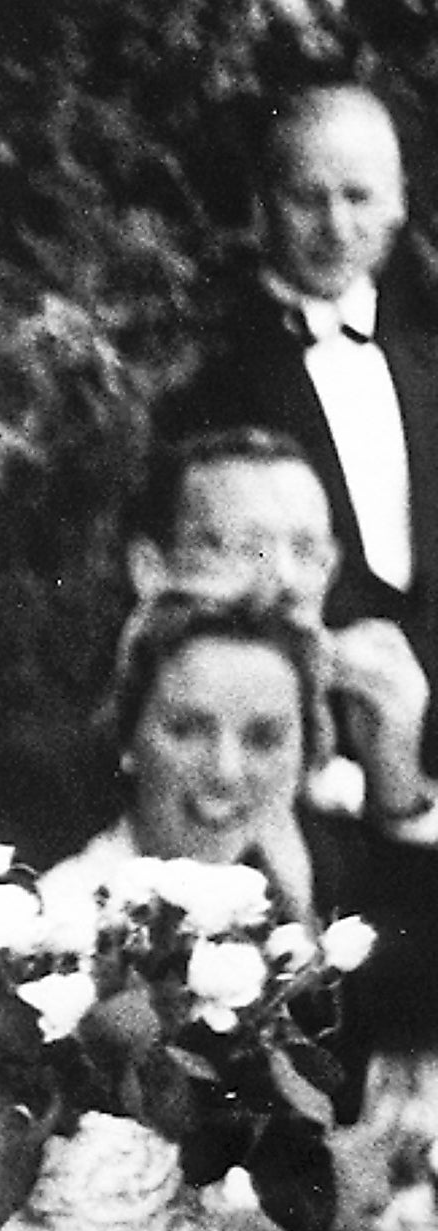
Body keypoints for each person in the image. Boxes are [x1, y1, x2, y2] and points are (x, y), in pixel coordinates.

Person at [45, 591, 438, 1133]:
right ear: (128, 738)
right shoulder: (65, 918)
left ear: (307, 756)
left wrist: (398, 781)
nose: (227, 771)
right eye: (186, 729)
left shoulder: (315, 886)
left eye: (265, 738)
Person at [161, 73, 438, 770]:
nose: (336, 226)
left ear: (399, 202)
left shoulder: (428, 359)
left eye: (358, 197)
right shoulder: (216, 380)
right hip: (301, 742)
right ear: (264, 208)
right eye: (308, 199)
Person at [125, 425, 438, 839]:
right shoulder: (84, 746)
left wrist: (397, 784)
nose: (286, 580)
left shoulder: (347, 722)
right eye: (250, 548)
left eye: (307, 551)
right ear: (152, 569)